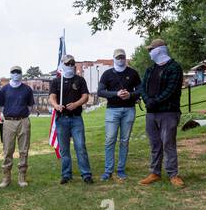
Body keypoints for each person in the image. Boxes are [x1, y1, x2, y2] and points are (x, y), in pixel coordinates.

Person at [137, 39, 185, 187]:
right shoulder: (150, 70)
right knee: (155, 144)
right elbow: (142, 88)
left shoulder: (175, 68)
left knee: (168, 143)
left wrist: (154, 101)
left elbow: (171, 90)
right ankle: (155, 172)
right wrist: (147, 100)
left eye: (151, 49)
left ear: (159, 50)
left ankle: (173, 174)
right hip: (151, 114)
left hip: (168, 112)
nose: (150, 53)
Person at [97, 48, 141, 182]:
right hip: (112, 110)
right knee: (110, 140)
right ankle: (108, 170)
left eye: (122, 57)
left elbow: (140, 89)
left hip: (129, 110)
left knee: (124, 140)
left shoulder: (133, 73)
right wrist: (115, 94)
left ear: (125, 58)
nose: (120, 59)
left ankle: (121, 169)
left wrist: (130, 95)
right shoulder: (107, 74)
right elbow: (100, 91)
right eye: (118, 57)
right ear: (113, 58)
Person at [50, 54, 93, 184]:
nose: (70, 66)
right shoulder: (56, 81)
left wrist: (76, 104)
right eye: (67, 64)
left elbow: (85, 96)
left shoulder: (79, 80)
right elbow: (52, 97)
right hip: (62, 119)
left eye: (72, 63)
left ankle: (86, 174)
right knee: (64, 149)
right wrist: (56, 105)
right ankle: (66, 174)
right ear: (62, 64)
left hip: (76, 119)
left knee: (80, 146)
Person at [0, 65, 34, 188]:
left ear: (21, 74)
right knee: (8, 150)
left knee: (24, 150)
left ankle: (22, 176)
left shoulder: (27, 89)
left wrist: (21, 113)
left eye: (18, 72)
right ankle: (6, 177)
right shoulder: (4, 89)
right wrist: (10, 114)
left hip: (23, 121)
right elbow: (1, 107)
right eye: (14, 72)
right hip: (8, 122)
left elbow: (30, 107)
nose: (16, 74)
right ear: (10, 73)